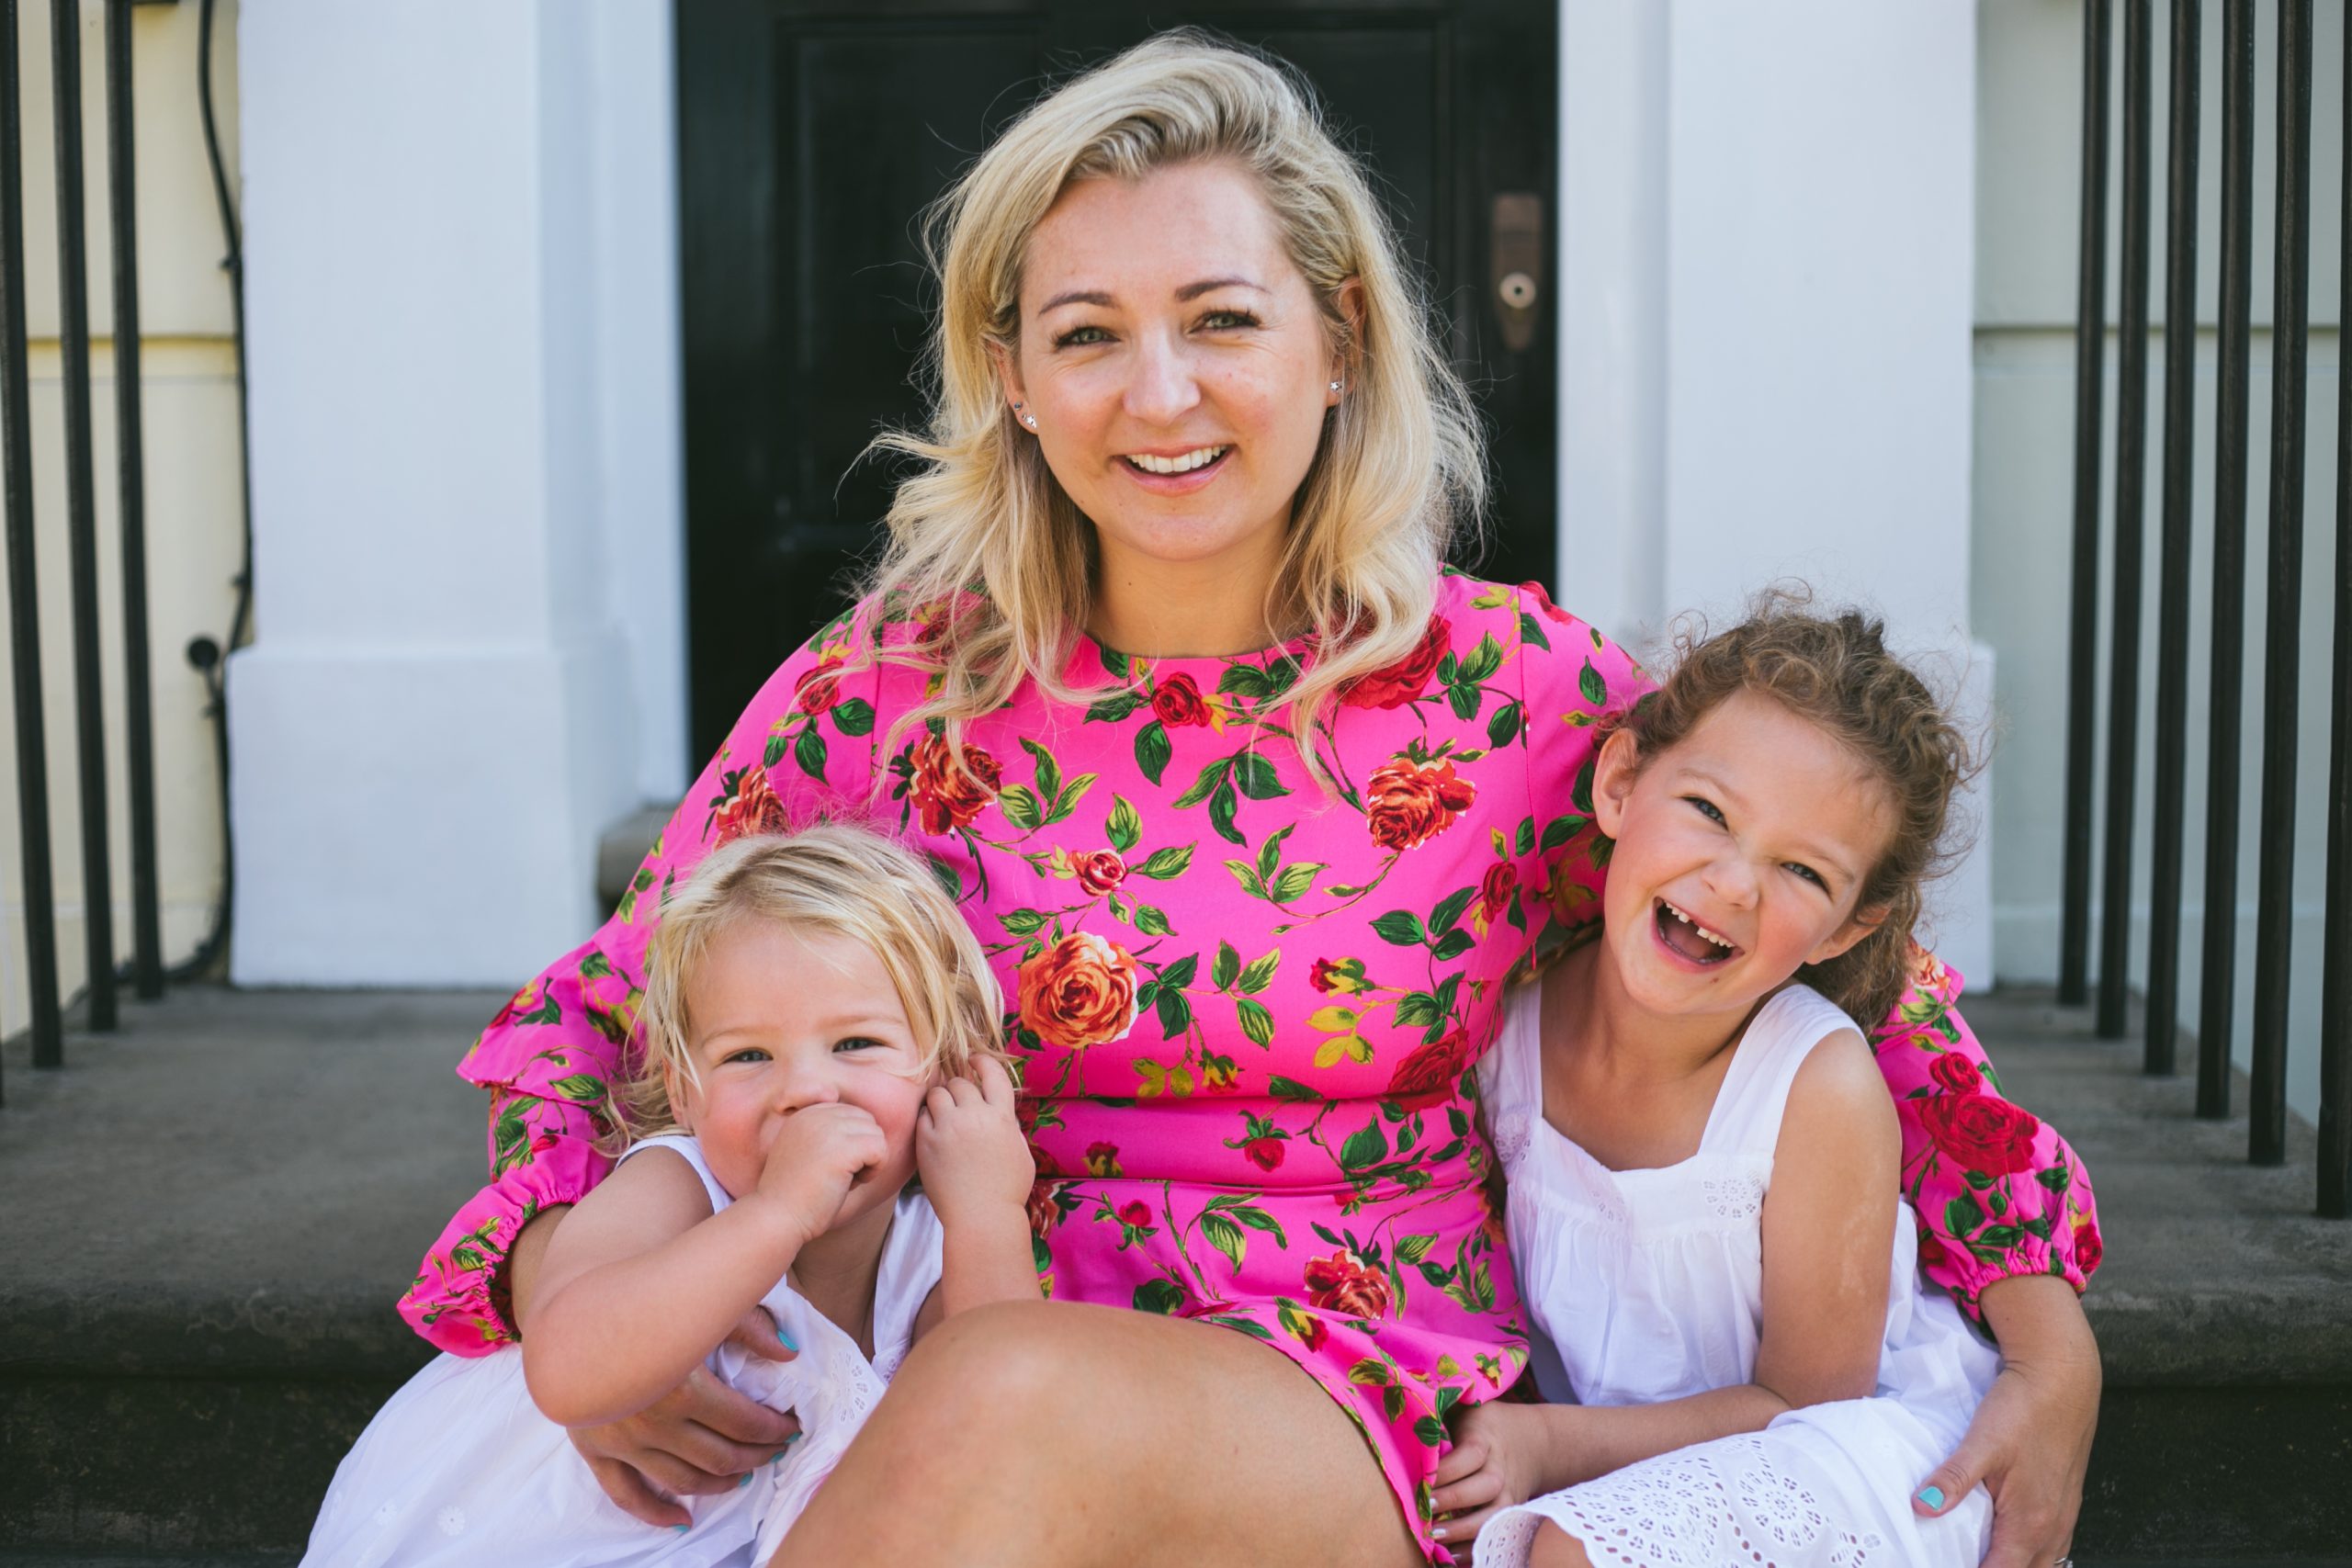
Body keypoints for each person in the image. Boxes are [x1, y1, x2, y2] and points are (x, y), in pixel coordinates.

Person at [399, 32, 2104, 1568]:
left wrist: (2052, 1354)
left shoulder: (1517, 700)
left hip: (1346, 1391)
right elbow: (603, 1014)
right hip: (934, 1334)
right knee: (979, 1396)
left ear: (1339, 337)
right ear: (1009, 374)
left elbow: (1887, 1026)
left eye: (1222, 319)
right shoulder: (891, 693)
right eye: (1088, 335)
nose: (1161, 396)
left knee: (1015, 1402)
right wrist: (575, 1311)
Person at [1432, 603, 2027, 1567]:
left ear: (1845, 929)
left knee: (1571, 1556)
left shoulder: (1812, 1090)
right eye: (1708, 811)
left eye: (1800, 869)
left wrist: (1547, 1445)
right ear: (1621, 782)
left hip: (1846, 1467)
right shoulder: (1509, 1030)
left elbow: (1802, 1411)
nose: (1735, 884)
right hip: (1623, 1470)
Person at [309, 828, 1037, 1564]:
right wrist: (775, 1215)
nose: (805, 1090)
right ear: (684, 1090)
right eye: (747, 1055)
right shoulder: (676, 1182)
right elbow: (565, 1370)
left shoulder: (929, 1248)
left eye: (856, 1044)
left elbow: (1009, 1423)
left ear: (946, 1067)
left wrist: (987, 1212)